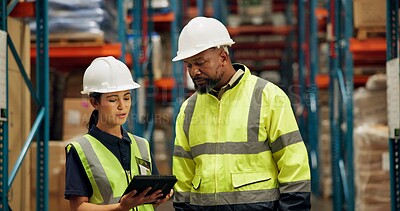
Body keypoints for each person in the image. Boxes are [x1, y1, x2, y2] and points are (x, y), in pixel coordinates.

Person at [171, 17, 311, 210]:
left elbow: (294, 167)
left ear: (223, 58)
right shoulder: (189, 109)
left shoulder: (268, 97)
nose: (194, 71)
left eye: (200, 62)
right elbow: (183, 175)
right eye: (189, 65)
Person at [64, 56, 172, 211]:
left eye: (127, 98)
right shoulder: (80, 150)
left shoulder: (142, 145)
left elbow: (147, 201)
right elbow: (78, 207)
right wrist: (121, 207)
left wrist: (156, 198)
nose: (122, 106)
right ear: (95, 103)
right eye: (113, 100)